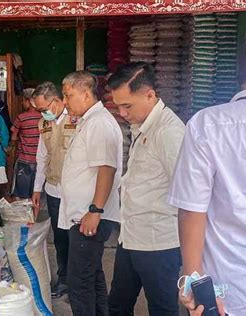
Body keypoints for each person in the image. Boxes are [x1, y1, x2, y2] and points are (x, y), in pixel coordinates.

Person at [168, 31, 246, 315]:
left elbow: (192, 211)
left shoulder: (207, 125)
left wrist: (194, 285)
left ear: (240, 72)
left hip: (228, 296)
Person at [106, 62, 185, 316]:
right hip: (130, 237)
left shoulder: (169, 132)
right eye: (118, 106)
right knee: (118, 305)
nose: (122, 113)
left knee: (162, 309)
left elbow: (188, 193)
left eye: (126, 105)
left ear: (150, 95)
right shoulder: (142, 126)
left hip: (158, 244)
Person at [60, 71, 122, 315]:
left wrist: (95, 210)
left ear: (86, 94)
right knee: (92, 277)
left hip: (90, 218)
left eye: (68, 95)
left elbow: (106, 168)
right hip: (86, 216)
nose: (64, 102)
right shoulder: (90, 120)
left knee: (79, 284)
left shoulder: (99, 123)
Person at [31, 82, 76, 299]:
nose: (42, 113)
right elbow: (42, 157)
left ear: (56, 101)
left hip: (75, 193)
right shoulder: (44, 124)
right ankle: (64, 279)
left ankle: (78, 281)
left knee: (76, 238)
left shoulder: (77, 120)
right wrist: (37, 189)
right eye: (39, 110)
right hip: (53, 190)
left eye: (43, 109)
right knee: (60, 239)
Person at [11, 88, 42, 199]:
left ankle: (23, 215)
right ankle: (33, 216)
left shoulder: (21, 117)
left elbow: (13, 137)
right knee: (36, 193)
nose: (22, 103)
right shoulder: (43, 118)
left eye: (23, 100)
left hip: (24, 161)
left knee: (22, 195)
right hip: (39, 161)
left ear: (29, 101)